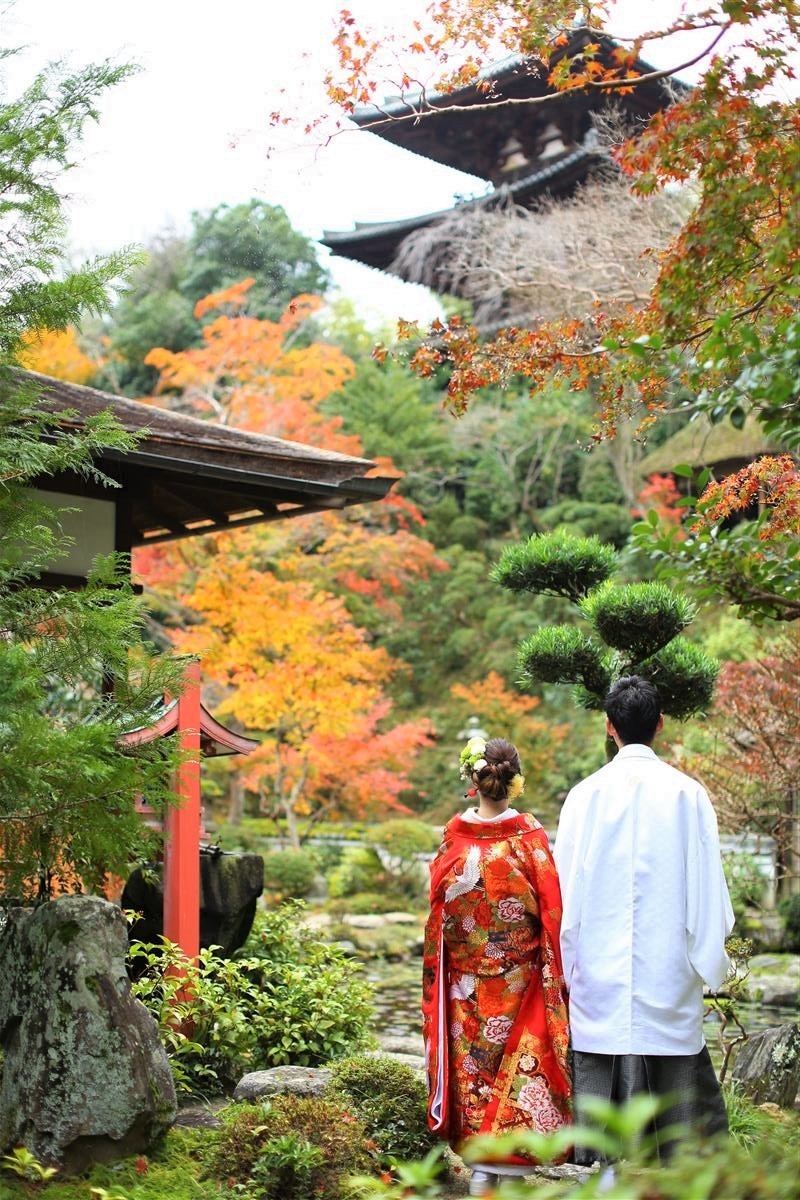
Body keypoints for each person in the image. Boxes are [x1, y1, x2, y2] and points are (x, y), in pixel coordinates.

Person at [553, 675, 734, 1163]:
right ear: (660, 724)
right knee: (682, 1138)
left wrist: (565, 970)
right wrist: (708, 962)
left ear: (609, 726)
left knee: (595, 1131)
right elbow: (709, 892)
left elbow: (563, 893)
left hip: (598, 969)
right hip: (668, 967)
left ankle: (594, 1172)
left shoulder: (584, 796)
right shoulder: (688, 795)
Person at [422, 736, 572, 1197]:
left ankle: (481, 1173)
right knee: (519, 1068)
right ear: (515, 781)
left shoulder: (454, 838)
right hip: (519, 980)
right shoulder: (529, 839)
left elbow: (437, 909)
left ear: (474, 780)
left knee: (474, 1073)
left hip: (465, 983)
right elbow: (553, 909)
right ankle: (506, 1173)